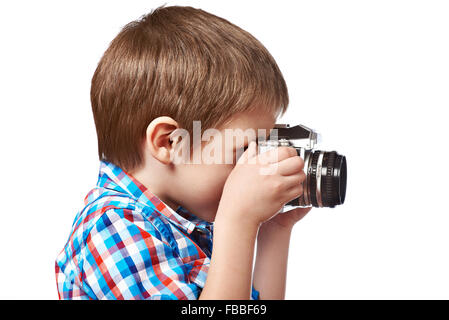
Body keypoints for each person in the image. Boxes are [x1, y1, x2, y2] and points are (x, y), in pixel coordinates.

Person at [55, 4, 310, 300]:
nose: (256, 164)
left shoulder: (187, 221)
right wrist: (237, 221)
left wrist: (272, 229)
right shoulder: (112, 227)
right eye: (243, 151)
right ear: (169, 142)